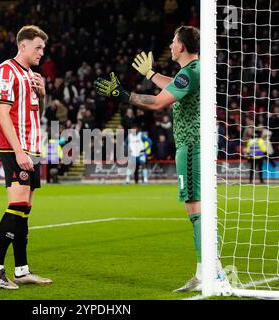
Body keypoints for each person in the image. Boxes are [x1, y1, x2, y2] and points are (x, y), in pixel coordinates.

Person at [94, 26, 230, 292]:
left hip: (192, 146)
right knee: (197, 209)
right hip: (196, 145)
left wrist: (123, 95)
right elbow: (174, 87)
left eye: (173, 41)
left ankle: (213, 272)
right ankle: (206, 272)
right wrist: (150, 73)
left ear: (181, 46)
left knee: (195, 210)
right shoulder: (191, 72)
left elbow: (158, 103)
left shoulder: (191, 72)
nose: (170, 45)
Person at [0, 25, 52, 290]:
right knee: (16, 206)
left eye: (44, 48)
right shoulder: (6, 71)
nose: (42, 52)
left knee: (24, 210)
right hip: (16, 148)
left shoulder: (33, 75)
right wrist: (18, 150)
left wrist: (43, 95)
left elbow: (38, 113)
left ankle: (22, 270)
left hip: (33, 148)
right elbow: (3, 115)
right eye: (38, 47)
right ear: (22, 46)